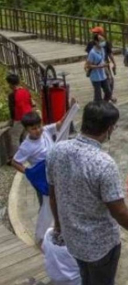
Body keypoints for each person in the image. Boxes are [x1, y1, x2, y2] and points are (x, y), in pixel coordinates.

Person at [47, 101, 128, 285]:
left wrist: (58, 224)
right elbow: (119, 211)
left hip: (72, 240)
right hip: (101, 246)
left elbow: (53, 193)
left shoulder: (56, 151)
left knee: (86, 278)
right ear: (109, 129)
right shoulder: (103, 163)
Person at [11, 100, 75, 245]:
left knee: (57, 201)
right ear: (27, 130)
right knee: (46, 204)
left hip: (55, 172)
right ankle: (42, 234)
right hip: (43, 178)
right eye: (33, 128)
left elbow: (60, 124)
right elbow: (15, 162)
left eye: (38, 126)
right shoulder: (26, 146)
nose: (38, 130)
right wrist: (29, 172)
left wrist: (70, 109)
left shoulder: (45, 130)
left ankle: (58, 226)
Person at [86, 27, 117, 103]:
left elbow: (109, 54)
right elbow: (89, 60)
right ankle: (98, 106)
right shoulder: (92, 48)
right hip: (96, 72)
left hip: (104, 68)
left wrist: (112, 66)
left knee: (109, 87)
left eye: (96, 32)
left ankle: (106, 101)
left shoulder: (104, 47)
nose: (94, 34)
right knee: (98, 94)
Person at [6, 72, 34, 145]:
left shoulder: (12, 95)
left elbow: (12, 109)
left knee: (14, 136)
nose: (8, 85)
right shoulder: (26, 91)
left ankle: (17, 155)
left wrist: (12, 120)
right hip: (29, 116)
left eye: (8, 83)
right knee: (26, 136)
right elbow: (31, 103)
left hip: (20, 118)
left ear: (11, 84)